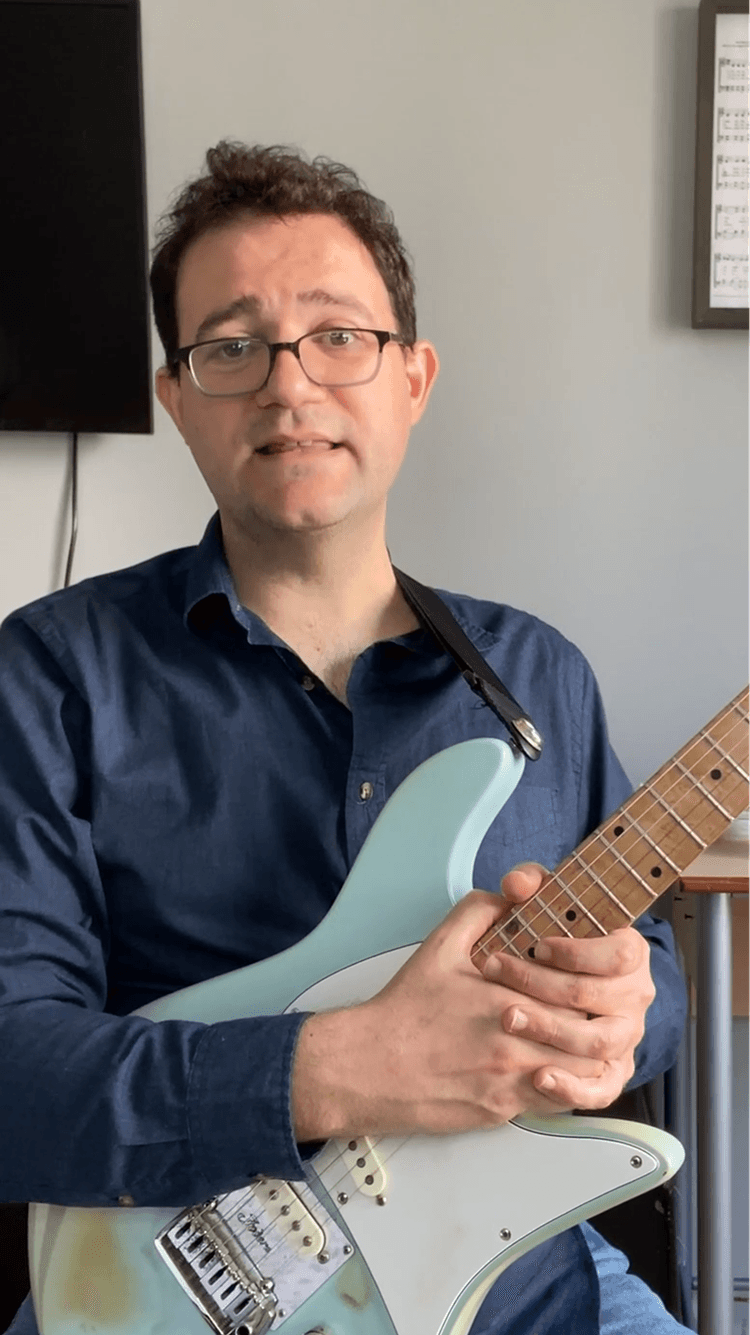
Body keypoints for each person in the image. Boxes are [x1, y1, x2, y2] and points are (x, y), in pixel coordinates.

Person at [0, 142, 689, 1335]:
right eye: (232, 347)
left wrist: (629, 1011)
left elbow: (655, 974)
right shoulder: (52, 675)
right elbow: (14, 1067)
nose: (290, 386)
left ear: (413, 377)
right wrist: (334, 1068)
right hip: (164, 1296)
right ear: (176, 398)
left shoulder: (536, 677)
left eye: (338, 336)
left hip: (526, 1288)